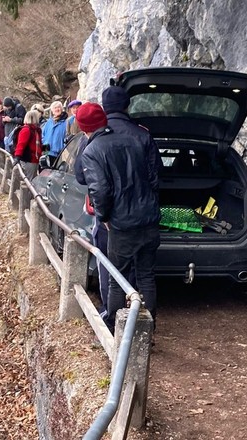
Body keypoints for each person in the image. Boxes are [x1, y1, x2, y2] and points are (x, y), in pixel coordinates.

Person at [77, 102, 161, 334]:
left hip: (122, 224)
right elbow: (152, 177)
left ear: (84, 128)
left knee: (116, 278)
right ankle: (147, 332)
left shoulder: (92, 151)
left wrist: (104, 217)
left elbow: (100, 191)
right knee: (146, 275)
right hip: (149, 218)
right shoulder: (135, 140)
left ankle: (116, 332)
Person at [13, 110, 43, 179]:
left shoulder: (36, 130)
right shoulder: (26, 130)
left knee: (33, 178)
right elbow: (21, 144)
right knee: (30, 179)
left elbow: (35, 144)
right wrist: (17, 156)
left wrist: (43, 147)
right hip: (29, 160)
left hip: (34, 159)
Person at [41, 100, 68, 166]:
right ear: (52, 111)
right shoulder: (48, 123)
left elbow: (67, 137)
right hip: (47, 152)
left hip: (58, 154)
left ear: (62, 109)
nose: (57, 109)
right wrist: (44, 150)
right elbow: (43, 136)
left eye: (59, 107)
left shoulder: (65, 123)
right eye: (55, 108)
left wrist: (63, 149)